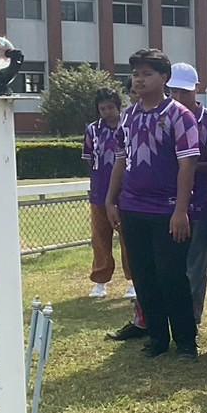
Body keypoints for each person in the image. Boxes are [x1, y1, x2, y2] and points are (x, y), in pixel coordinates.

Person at [105, 50, 200, 360]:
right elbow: (121, 159)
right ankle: (157, 338)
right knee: (144, 277)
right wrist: (111, 199)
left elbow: (188, 166)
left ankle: (186, 341)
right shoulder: (128, 116)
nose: (139, 80)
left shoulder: (179, 116)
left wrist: (181, 210)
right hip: (133, 209)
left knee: (171, 276)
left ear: (164, 78)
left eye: (147, 74)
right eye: (136, 74)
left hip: (168, 211)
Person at [166, 62, 207, 326]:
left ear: (197, 89)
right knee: (171, 264)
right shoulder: (164, 117)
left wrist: (189, 164)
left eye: (184, 92)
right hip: (169, 203)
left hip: (201, 202)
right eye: (173, 91)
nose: (178, 97)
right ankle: (170, 317)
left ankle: (192, 320)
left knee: (196, 266)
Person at [82, 88, 134, 300]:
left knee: (128, 238)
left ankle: (133, 281)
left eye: (110, 107)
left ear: (118, 107)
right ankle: (100, 281)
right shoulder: (92, 130)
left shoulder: (128, 126)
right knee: (100, 238)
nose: (106, 112)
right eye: (102, 108)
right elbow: (88, 159)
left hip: (125, 194)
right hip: (99, 193)